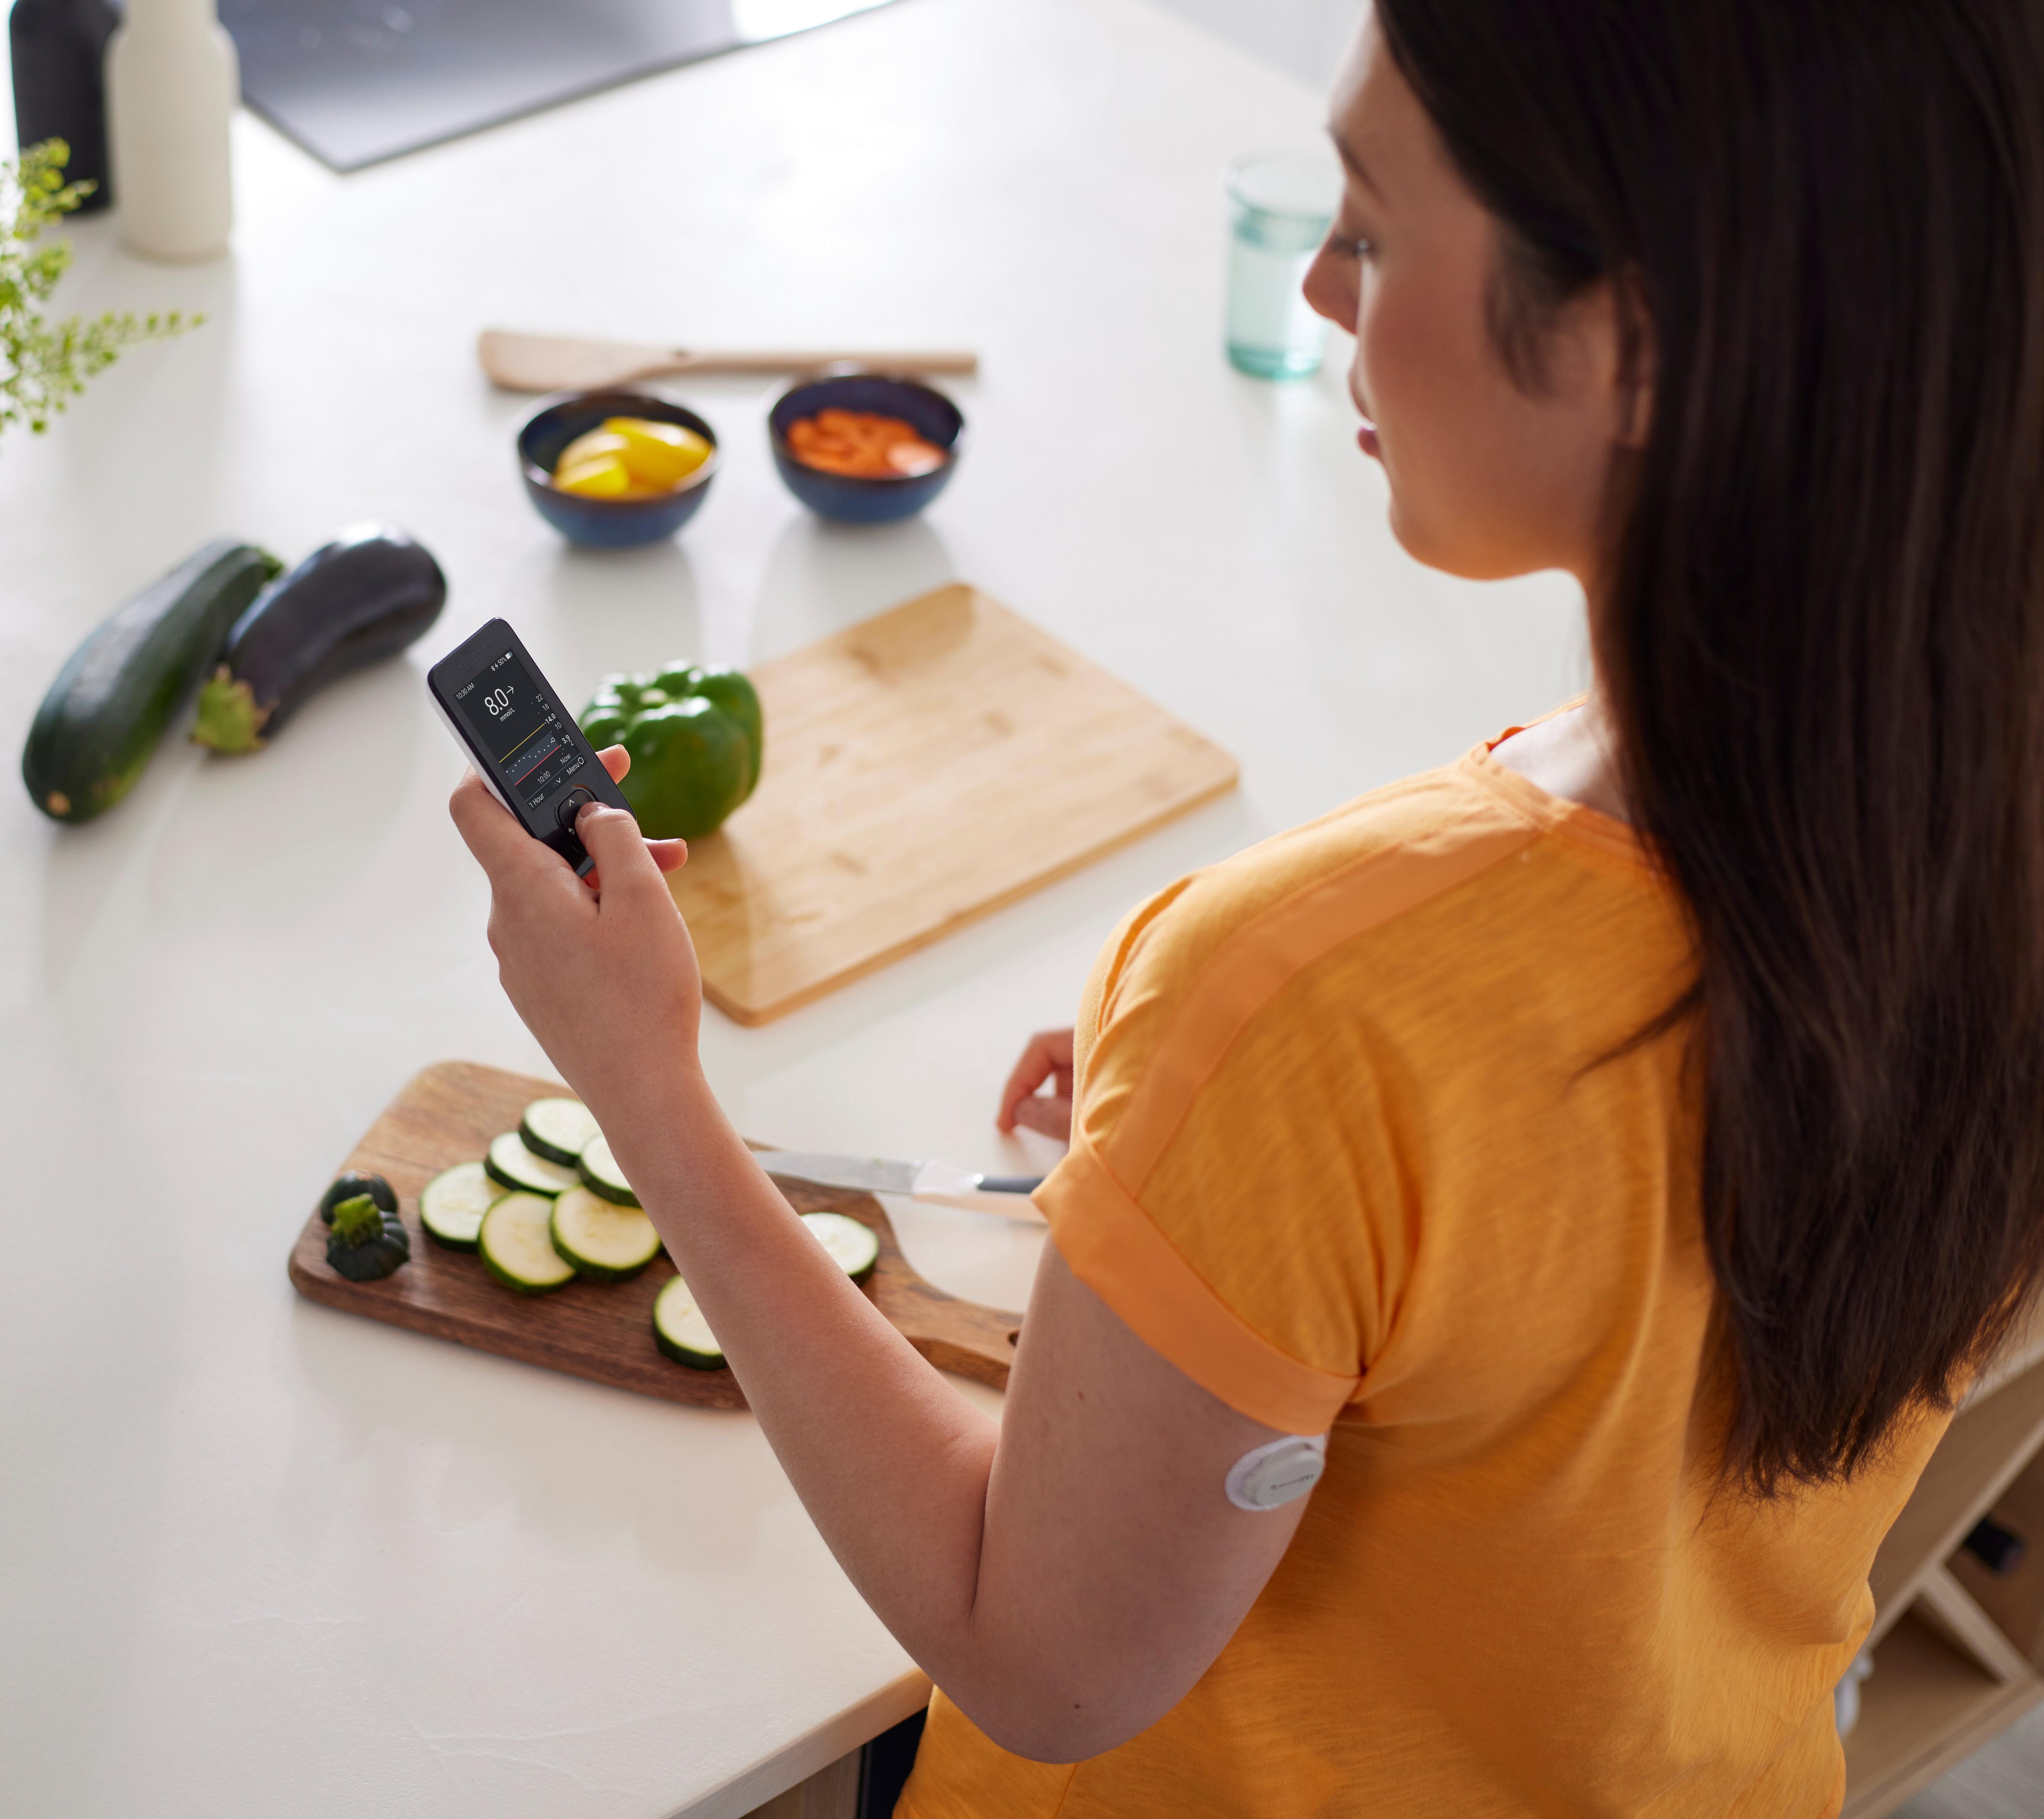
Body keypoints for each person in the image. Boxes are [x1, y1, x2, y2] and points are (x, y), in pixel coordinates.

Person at [447, 0, 2044, 1810]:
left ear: (1643, 336)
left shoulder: (1328, 1000)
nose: (1323, 298)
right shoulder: (1960, 803)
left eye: (1369, 225)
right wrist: (1226, 1165)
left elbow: (1042, 1657)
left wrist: (652, 1100)